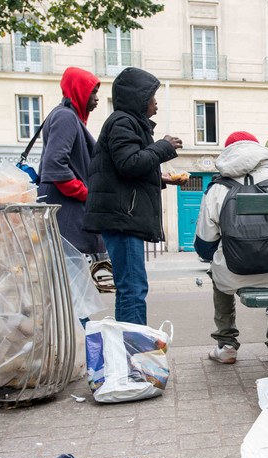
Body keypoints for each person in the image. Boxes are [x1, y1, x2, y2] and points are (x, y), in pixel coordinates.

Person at [195, 131, 268, 365]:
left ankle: (226, 344)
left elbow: (204, 246)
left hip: (233, 276)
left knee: (216, 272)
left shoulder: (216, 188)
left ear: (227, 153)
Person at [83, 67, 185, 326]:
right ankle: (134, 346)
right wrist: (163, 147)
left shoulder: (126, 122)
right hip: (122, 220)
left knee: (129, 288)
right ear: (139, 98)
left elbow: (125, 171)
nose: (156, 103)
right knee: (133, 288)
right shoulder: (123, 122)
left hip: (122, 217)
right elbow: (129, 164)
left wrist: (161, 179)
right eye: (152, 97)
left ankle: (128, 343)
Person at [38, 67, 105, 257]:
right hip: (66, 215)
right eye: (92, 92)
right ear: (79, 91)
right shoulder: (66, 116)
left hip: (66, 213)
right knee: (70, 272)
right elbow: (55, 164)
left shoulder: (68, 116)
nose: (96, 99)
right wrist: (85, 194)